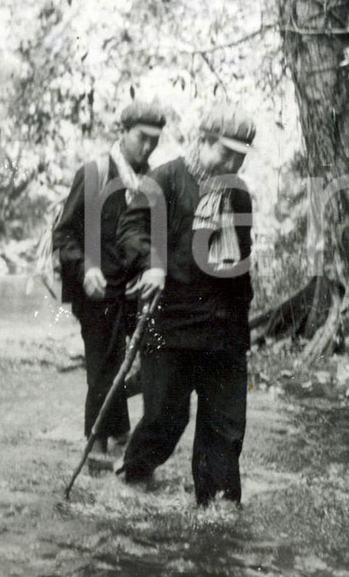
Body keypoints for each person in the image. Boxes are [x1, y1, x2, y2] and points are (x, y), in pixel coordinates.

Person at [116, 105, 255, 506]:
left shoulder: (239, 195)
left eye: (240, 156)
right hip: (171, 326)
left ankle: (218, 508)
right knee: (165, 418)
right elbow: (130, 231)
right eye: (225, 153)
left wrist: (242, 326)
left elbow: (241, 262)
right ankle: (134, 475)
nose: (232, 163)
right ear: (203, 142)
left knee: (225, 427)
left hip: (224, 330)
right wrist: (152, 264)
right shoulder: (165, 180)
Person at [53, 100, 166, 458]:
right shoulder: (95, 173)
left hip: (137, 293)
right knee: (103, 368)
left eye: (154, 140)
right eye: (141, 138)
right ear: (123, 132)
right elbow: (64, 234)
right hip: (96, 292)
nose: (147, 147)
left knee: (151, 362)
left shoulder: (154, 181)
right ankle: (97, 448)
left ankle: (121, 432)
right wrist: (86, 268)